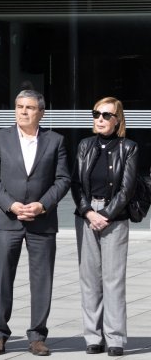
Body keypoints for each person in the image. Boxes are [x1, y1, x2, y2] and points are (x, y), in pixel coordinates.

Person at [0, 89, 70, 356]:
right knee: (1, 278)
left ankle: (37, 336)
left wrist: (42, 205)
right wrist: (11, 204)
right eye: (19, 106)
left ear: (41, 112)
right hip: (7, 219)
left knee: (42, 279)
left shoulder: (55, 141)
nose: (23, 111)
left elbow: (63, 179)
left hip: (41, 221)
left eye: (29, 108)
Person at [71, 97, 138, 356]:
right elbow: (76, 183)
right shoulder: (85, 145)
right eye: (96, 113)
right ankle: (93, 337)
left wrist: (106, 215)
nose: (100, 119)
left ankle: (115, 338)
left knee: (113, 281)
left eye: (106, 115)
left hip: (114, 218)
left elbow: (127, 188)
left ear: (117, 119)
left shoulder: (128, 147)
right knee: (89, 280)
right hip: (86, 216)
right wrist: (88, 212)